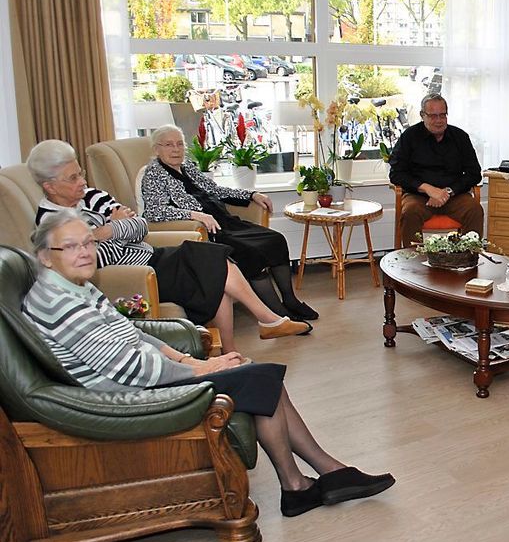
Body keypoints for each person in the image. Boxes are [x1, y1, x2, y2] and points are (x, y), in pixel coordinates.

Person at [23, 211, 395, 517]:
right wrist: (204, 369)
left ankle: (317, 476)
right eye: (70, 247)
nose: (85, 252)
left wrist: (184, 356)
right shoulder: (62, 304)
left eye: (88, 242)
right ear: (44, 255)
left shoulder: (73, 287)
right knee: (259, 378)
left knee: (261, 376)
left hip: (142, 380)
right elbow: (134, 370)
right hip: (131, 398)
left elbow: (131, 331)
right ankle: (301, 483)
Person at [26, 140, 310, 355]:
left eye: (80, 173)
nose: (83, 182)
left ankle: (233, 350)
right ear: (50, 187)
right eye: (73, 178)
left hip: (149, 254)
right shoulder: (53, 224)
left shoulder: (89, 197)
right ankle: (268, 321)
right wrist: (110, 230)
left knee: (218, 271)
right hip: (138, 269)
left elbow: (139, 225)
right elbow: (97, 258)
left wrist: (106, 231)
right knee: (216, 263)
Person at [140, 125, 318, 323]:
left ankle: (290, 299)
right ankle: (277, 313)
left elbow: (215, 190)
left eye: (179, 144)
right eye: (168, 145)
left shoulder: (187, 166)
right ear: (157, 149)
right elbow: (154, 211)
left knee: (275, 239)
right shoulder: (153, 174)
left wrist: (251, 194)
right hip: (211, 230)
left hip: (226, 221)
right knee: (251, 252)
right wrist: (194, 215)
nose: (176, 149)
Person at [388, 94, 483, 248]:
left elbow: (474, 173)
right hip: (419, 196)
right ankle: (413, 264)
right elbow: (396, 173)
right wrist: (428, 188)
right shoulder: (409, 137)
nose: (439, 120)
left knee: (474, 210)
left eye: (442, 115)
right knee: (410, 212)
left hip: (454, 196)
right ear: (422, 115)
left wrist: (447, 192)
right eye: (433, 116)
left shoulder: (460, 137)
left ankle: (467, 259)